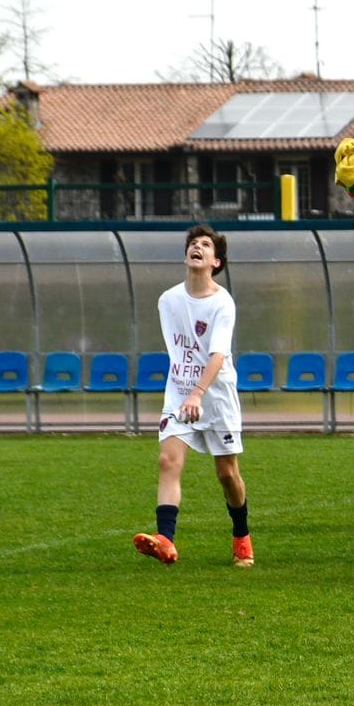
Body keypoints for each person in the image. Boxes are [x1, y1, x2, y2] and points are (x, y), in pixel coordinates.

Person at [133, 224, 252, 568]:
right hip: (180, 393)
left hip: (215, 395)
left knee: (227, 474)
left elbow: (216, 355)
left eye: (205, 245)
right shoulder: (167, 300)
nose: (197, 247)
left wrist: (199, 393)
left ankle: (241, 537)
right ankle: (165, 540)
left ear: (216, 262)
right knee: (168, 461)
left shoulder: (223, 303)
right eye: (193, 243)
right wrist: (186, 392)